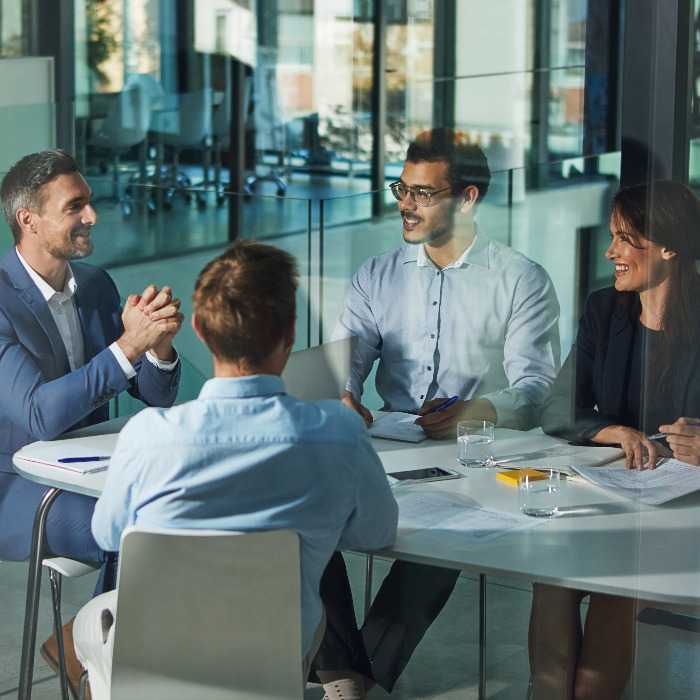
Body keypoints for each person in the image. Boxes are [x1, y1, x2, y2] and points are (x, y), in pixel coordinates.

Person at [71, 240, 398, 700]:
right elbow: (378, 530)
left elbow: (108, 536)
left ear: (200, 330)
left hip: (157, 666)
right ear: (290, 332)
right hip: (272, 665)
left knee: (96, 623)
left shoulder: (149, 437)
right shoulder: (341, 433)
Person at [313, 128, 561, 697]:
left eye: (423, 193)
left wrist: (482, 409)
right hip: (384, 442)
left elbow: (536, 385)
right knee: (303, 512)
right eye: (403, 187)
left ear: (467, 198)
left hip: (472, 456)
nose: (404, 203)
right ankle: (351, 680)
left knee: (444, 541)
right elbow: (341, 360)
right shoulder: (376, 274)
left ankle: (346, 681)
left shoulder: (521, 279)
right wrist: (344, 392)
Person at [0, 149, 183, 694]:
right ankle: (127, 675)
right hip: (16, 485)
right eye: (74, 205)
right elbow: (37, 415)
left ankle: (82, 645)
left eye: (90, 202)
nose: (92, 216)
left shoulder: (96, 285)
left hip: (92, 474)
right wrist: (128, 346)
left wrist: (159, 350)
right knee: (135, 534)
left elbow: (154, 395)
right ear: (27, 219)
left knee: (184, 515)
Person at [532, 179, 700, 700]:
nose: (611, 252)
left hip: (681, 503)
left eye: (626, 239)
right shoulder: (605, 310)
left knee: (613, 591)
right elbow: (558, 407)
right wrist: (614, 431)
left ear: (669, 247)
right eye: (613, 237)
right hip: (615, 488)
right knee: (552, 578)